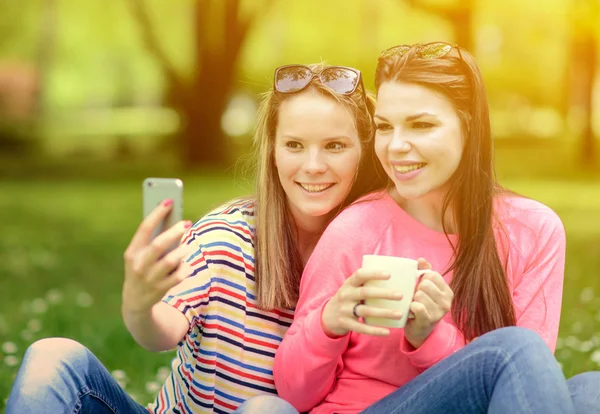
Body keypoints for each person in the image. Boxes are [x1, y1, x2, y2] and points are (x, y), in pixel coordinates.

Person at [5, 63, 387, 414]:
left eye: (335, 146)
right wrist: (140, 305)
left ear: (363, 152)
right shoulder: (226, 236)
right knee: (52, 355)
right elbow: (163, 331)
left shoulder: (375, 257)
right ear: (272, 151)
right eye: (294, 145)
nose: (313, 166)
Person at [246, 43, 600, 413]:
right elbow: (291, 395)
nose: (396, 146)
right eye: (385, 127)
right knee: (515, 348)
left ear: (469, 126)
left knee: (592, 390)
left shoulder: (534, 231)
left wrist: (429, 336)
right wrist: (328, 323)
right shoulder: (357, 228)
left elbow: (528, 380)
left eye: (421, 124)